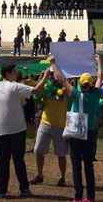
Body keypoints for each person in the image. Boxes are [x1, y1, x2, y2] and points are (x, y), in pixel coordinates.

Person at [0, 63, 50, 198]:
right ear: (8, 73)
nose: (17, 73)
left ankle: (2, 190)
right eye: (15, 71)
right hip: (16, 129)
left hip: (0, 130)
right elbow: (35, 90)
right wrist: (45, 77)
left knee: (3, 161)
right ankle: (24, 189)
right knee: (18, 161)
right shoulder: (14, 86)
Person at [59, 54, 103, 202]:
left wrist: (54, 65)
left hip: (76, 133)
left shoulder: (77, 95)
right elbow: (99, 78)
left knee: (76, 166)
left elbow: (63, 80)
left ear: (81, 84)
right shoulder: (96, 94)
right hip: (90, 133)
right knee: (89, 167)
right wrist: (99, 62)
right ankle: (90, 198)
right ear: (90, 84)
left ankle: (78, 197)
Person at [32, 58, 70, 187]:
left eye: (55, 74)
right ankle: (40, 175)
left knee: (61, 154)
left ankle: (63, 178)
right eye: (53, 74)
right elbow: (36, 93)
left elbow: (66, 87)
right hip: (45, 123)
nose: (54, 77)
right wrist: (43, 77)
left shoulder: (66, 89)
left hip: (60, 126)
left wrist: (56, 66)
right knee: (38, 151)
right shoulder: (47, 86)